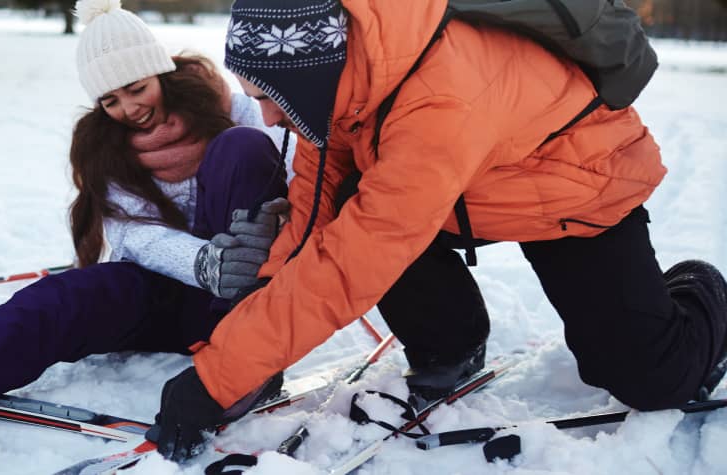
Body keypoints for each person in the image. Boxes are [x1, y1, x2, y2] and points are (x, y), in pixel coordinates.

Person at [150, 0, 727, 461]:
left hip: (573, 189)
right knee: (357, 201)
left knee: (651, 381)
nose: (268, 118)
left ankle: (700, 292)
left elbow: (352, 260)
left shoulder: (438, 96)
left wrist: (213, 382)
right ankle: (452, 341)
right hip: (464, 191)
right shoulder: (340, 82)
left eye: (271, 99)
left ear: (308, 74)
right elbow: (312, 217)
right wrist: (252, 339)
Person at [0, 0, 294, 469]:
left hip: (247, 306)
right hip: (172, 288)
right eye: (110, 100)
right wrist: (203, 263)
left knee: (242, 147)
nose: (128, 108)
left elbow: (297, 175)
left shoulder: (234, 108)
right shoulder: (103, 146)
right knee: (58, 298)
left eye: (135, 87)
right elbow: (132, 234)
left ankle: (251, 361)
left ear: (160, 71)